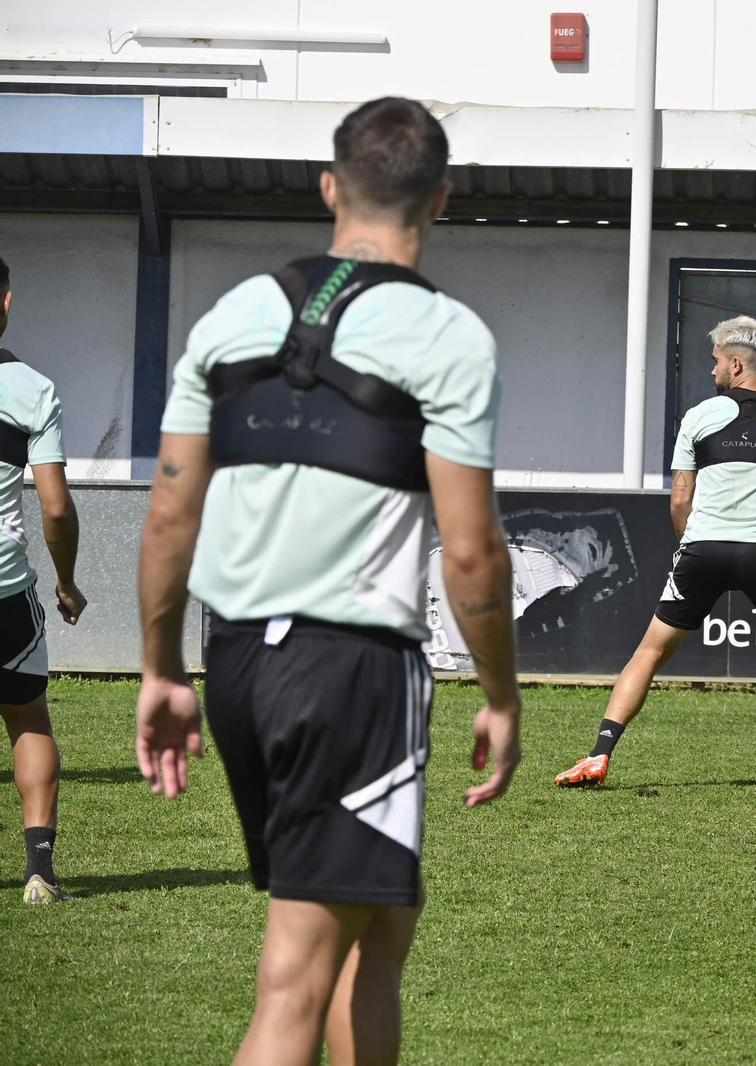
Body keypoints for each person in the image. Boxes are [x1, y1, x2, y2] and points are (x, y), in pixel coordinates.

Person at [135, 97, 522, 1066]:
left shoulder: (232, 314)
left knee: (378, 930)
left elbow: (170, 513)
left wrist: (159, 670)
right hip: (349, 670)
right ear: (439, 197)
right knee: (297, 978)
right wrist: (503, 695)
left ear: (328, 187)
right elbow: (471, 552)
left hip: (237, 664)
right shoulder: (450, 336)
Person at [554, 316, 756, 794]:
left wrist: (688, 546)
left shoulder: (698, 416)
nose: (711, 369)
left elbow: (679, 498)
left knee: (648, 652)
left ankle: (598, 755)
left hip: (702, 550)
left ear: (736, 364)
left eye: (715, 361)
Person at [0, 255, 87, 904]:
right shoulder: (31, 389)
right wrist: (66, 583)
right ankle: (39, 873)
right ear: (5, 303)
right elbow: (55, 507)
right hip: (6, 594)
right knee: (28, 717)